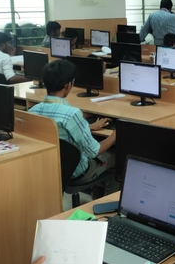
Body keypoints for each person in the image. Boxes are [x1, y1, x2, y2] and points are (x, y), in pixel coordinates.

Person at [28, 60, 118, 195]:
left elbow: (57, 131)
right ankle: (106, 201)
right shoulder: (71, 114)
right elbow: (94, 151)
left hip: (52, 169)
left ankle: (97, 193)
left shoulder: (32, 111)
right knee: (119, 157)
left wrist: (88, 127)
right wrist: (116, 134)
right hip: (78, 172)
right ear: (68, 85)